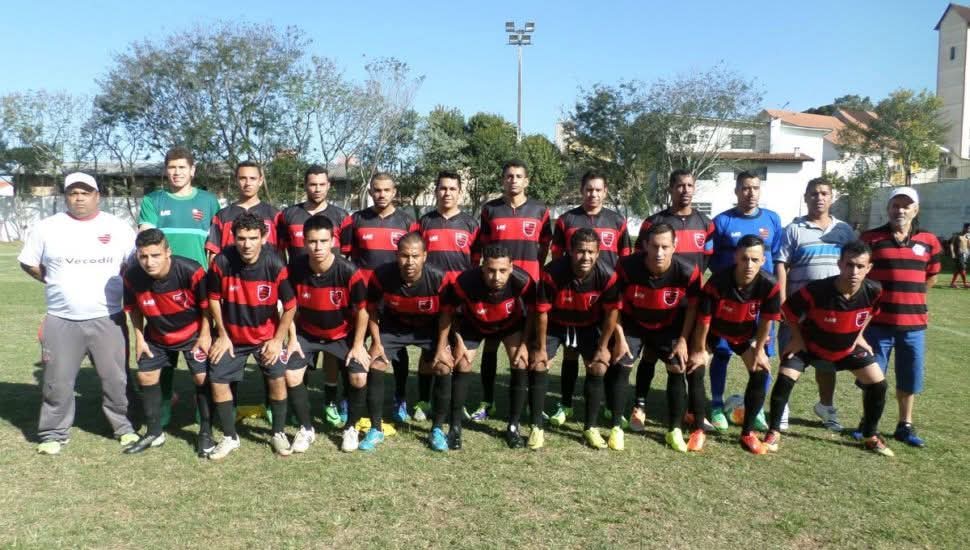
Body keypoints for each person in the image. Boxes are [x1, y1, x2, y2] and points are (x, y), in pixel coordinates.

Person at [18, 172, 138, 454]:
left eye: (85, 192)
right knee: (57, 381)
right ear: (66, 196)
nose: (79, 198)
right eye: (73, 193)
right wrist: (52, 280)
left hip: (108, 318)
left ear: (97, 196)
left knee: (116, 379)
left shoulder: (118, 227)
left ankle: (124, 427)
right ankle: (53, 433)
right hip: (61, 319)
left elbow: (132, 264)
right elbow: (28, 262)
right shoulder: (47, 227)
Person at [763, 241, 894, 456]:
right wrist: (797, 338)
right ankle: (773, 432)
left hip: (846, 348)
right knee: (785, 377)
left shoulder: (874, 290)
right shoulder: (817, 290)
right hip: (810, 345)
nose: (854, 271)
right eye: (849, 265)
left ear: (869, 268)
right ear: (839, 264)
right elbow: (787, 310)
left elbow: (872, 311)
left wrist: (859, 335)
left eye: (860, 266)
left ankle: (870, 435)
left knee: (878, 384)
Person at [137, 146, 221, 427]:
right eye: (172, 167)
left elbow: (214, 246)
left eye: (182, 167)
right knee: (163, 353)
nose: (176, 172)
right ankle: (163, 409)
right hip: (162, 289)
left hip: (198, 288)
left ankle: (204, 414)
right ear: (166, 170)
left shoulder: (209, 201)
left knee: (203, 352)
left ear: (192, 170)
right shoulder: (153, 200)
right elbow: (146, 239)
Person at [205, 212, 296, 460]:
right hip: (232, 338)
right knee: (217, 380)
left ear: (263, 238)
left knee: (278, 379)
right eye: (241, 238)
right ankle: (229, 437)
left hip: (265, 338)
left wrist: (277, 340)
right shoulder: (222, 261)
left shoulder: (275, 263)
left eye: (253, 238)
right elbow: (213, 299)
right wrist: (222, 334)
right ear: (233, 238)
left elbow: (290, 305)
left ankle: (278, 432)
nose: (247, 244)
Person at [857, 187, 942, 448]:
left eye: (906, 206)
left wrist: (911, 299)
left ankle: (905, 425)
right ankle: (868, 423)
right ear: (888, 208)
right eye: (895, 205)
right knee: (872, 376)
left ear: (916, 210)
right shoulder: (870, 238)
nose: (900, 210)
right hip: (878, 324)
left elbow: (932, 276)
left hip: (913, 325)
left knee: (909, 376)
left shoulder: (929, 240)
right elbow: (861, 275)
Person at [629, 169, 713, 432]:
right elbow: (640, 259)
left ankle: (691, 411)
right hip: (655, 300)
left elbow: (707, 259)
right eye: (679, 185)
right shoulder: (654, 222)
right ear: (670, 189)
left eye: (689, 185)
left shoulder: (706, 223)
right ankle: (639, 406)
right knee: (650, 353)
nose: (685, 190)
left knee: (687, 356)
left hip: (688, 304)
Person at [546, 171, 630, 427]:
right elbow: (558, 257)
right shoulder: (567, 219)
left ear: (605, 192)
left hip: (607, 296)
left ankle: (608, 405)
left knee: (605, 352)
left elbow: (625, 258)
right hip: (575, 295)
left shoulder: (617, 221)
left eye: (598, 190)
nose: (593, 194)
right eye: (589, 189)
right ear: (581, 191)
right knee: (571, 352)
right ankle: (566, 404)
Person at [773, 177, 857, 432]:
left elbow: (854, 266)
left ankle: (826, 407)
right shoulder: (794, 229)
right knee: (789, 357)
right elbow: (781, 265)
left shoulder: (844, 231)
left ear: (832, 197)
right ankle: (782, 407)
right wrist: (783, 302)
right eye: (814, 193)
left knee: (828, 362)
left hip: (832, 311)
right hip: (798, 311)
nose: (819, 198)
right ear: (806, 198)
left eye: (824, 193)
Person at [471, 160, 551, 423]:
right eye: (509, 176)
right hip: (497, 288)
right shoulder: (490, 209)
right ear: (502, 180)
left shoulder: (540, 210)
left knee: (530, 345)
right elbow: (484, 248)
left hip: (528, 288)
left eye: (518, 176)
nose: (513, 180)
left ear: (527, 181)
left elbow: (544, 247)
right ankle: (488, 401)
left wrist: (532, 273)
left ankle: (528, 403)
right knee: (491, 344)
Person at [284, 215, 371, 453]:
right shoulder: (294, 269)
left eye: (323, 241)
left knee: (359, 377)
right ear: (304, 242)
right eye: (312, 242)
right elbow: (289, 307)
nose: (318, 247)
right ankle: (306, 429)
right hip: (308, 334)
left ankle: (351, 428)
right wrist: (292, 339)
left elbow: (363, 311)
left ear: (333, 241)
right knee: (291, 375)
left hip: (342, 335)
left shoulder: (349, 271)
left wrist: (358, 345)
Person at [122, 229, 213, 455]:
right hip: (157, 335)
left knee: (202, 377)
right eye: (143, 256)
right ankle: (154, 432)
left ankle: (206, 432)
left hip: (192, 333)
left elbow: (207, 306)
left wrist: (205, 335)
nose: (149, 262)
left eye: (155, 255)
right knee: (146, 376)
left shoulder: (191, 270)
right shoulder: (132, 275)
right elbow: (133, 309)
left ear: (167, 252)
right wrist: (139, 338)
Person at [615, 223, 704, 452]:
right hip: (634, 323)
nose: (659, 252)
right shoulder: (626, 266)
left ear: (675, 246)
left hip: (667, 326)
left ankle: (674, 430)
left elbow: (693, 308)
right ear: (645, 245)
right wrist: (620, 337)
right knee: (623, 362)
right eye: (655, 246)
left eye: (665, 246)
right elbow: (613, 305)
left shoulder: (688, 271)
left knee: (677, 366)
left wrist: (683, 339)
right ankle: (616, 426)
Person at [689, 235, 781, 455]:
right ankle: (698, 428)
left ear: (762, 260)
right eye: (744, 259)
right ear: (736, 257)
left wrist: (759, 351)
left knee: (760, 371)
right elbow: (704, 321)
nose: (749, 265)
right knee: (694, 368)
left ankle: (747, 433)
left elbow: (767, 321)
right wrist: (700, 350)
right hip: (714, 332)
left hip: (743, 335)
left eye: (755, 260)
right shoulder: (717, 282)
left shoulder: (770, 285)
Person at [277, 164, 353, 430]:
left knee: (331, 348)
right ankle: (302, 405)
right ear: (305, 185)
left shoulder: (342, 216)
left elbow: (347, 255)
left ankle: (330, 401)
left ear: (329, 185)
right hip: (299, 290)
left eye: (322, 184)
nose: (317, 189)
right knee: (300, 347)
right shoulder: (288, 215)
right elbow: (280, 252)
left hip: (331, 292)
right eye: (312, 184)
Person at [340, 172, 420, 423]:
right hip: (362, 297)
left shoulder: (407, 222)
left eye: (386, 190)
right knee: (353, 344)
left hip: (394, 296)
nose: (381, 194)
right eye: (377, 190)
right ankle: (348, 397)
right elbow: (346, 258)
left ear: (394, 192)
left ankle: (400, 397)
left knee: (397, 349)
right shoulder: (356, 220)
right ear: (370, 192)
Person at [707, 171, 783, 433]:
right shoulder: (722, 221)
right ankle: (717, 405)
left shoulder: (772, 219)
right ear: (737, 191)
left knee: (763, 354)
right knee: (722, 352)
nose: (750, 193)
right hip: (729, 301)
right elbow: (710, 257)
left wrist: (779, 292)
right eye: (745, 188)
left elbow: (778, 258)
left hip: (762, 302)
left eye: (755, 188)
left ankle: (756, 407)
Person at [367, 233, 456, 452]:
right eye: (404, 256)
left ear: (425, 256)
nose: (410, 262)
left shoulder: (439, 278)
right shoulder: (381, 275)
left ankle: (437, 429)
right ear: (396, 255)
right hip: (394, 327)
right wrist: (376, 342)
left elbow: (446, 315)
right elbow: (371, 310)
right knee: (375, 363)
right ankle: (376, 428)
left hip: (428, 328)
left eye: (415, 256)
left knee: (443, 366)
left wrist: (442, 347)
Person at [534, 228, 620, 449]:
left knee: (598, 366)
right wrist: (541, 348)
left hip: (588, 326)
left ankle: (590, 427)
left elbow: (612, 313)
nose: (586, 257)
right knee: (538, 363)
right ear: (570, 251)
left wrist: (603, 347)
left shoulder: (608, 275)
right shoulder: (552, 272)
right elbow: (542, 312)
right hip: (556, 324)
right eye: (580, 251)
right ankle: (537, 427)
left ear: (598, 253)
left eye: (591, 252)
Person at [448, 245, 536, 449]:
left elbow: (533, 312)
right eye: (491, 270)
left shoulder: (523, 281)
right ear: (482, 267)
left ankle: (513, 426)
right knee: (462, 363)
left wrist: (524, 343)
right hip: (473, 324)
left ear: (511, 267)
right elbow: (448, 312)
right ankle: (455, 426)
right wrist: (458, 340)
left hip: (509, 325)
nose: (496, 276)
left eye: (503, 270)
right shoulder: (465, 281)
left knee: (520, 362)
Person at [415, 171, 480, 422]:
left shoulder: (470, 224)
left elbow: (475, 263)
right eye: (442, 188)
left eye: (452, 189)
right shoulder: (425, 222)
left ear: (460, 192)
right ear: (435, 191)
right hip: (432, 296)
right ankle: (423, 401)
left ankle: (456, 403)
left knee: (460, 351)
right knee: (428, 350)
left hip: (461, 297)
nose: (447, 193)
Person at [205, 161, 282, 260]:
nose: (248, 183)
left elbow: (281, 253)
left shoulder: (275, 215)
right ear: (236, 180)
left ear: (260, 181)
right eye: (243, 178)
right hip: (230, 269)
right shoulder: (222, 216)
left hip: (266, 270)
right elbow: (214, 254)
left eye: (253, 178)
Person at [949, 223, 970, 288]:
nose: (969, 230)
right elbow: (951, 244)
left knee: (958, 269)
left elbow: (968, 246)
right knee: (962, 268)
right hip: (959, 254)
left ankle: (952, 283)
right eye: (968, 228)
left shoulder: (968, 236)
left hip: (965, 254)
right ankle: (965, 283)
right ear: (964, 228)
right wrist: (953, 253)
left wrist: (969, 240)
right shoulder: (957, 235)